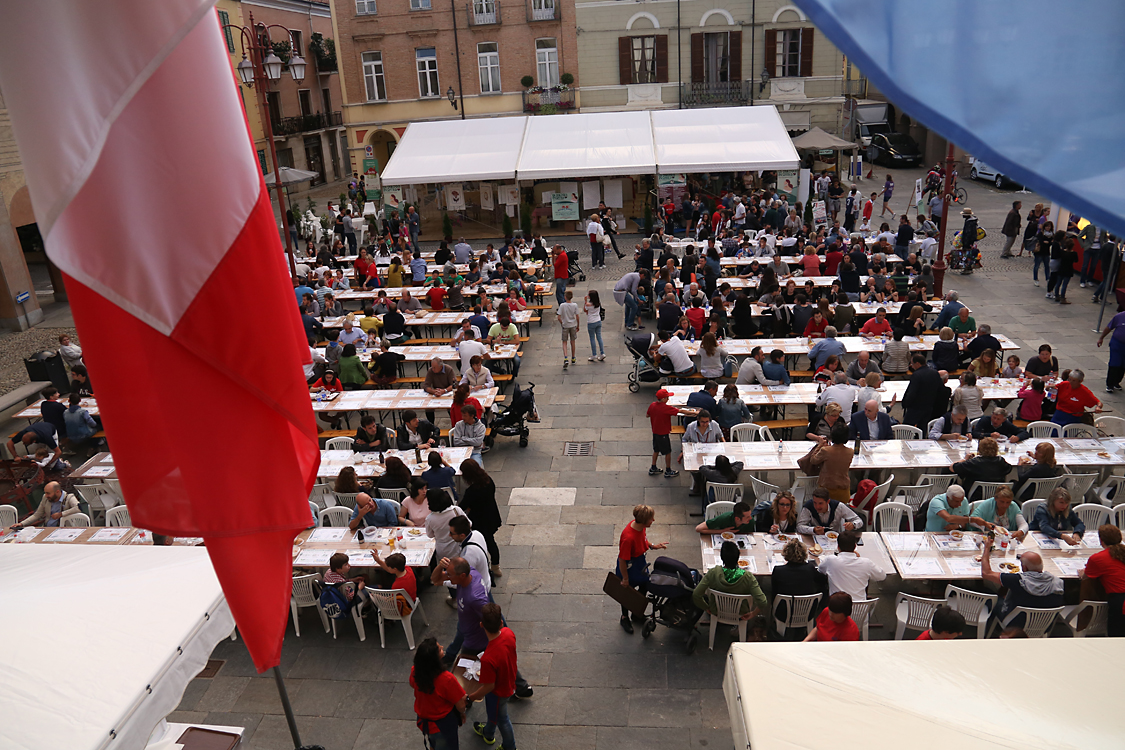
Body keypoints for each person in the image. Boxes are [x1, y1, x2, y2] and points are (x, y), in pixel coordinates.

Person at [465, 604, 519, 750]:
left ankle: (510, 746)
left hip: (498, 693)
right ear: (501, 622)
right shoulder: (508, 633)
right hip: (509, 681)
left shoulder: (488, 658)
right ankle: (488, 732)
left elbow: (489, 686)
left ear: (481, 625)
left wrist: (471, 697)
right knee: (494, 713)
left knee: (503, 720)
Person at [980, 537, 1063, 627]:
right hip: (1043, 626)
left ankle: (991, 626)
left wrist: (987, 548)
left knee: (989, 596)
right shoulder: (1057, 582)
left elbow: (986, 573)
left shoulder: (1018, 580)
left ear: (1024, 568)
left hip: (1015, 623)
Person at [410, 638, 467, 750]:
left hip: (425, 721)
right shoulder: (446, 679)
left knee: (433, 742)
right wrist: (462, 713)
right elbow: (460, 705)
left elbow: (413, 685)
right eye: (439, 649)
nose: (442, 647)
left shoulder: (415, 671)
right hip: (443, 724)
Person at [617, 504, 666, 633]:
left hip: (640, 563)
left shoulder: (639, 525)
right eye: (651, 519)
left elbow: (643, 539)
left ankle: (636, 612)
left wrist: (653, 546)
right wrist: (625, 579)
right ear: (644, 521)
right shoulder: (628, 538)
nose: (653, 520)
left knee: (644, 585)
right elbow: (622, 559)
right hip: (630, 568)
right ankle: (624, 616)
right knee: (627, 593)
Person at [692, 540, 768, 620]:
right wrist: (753, 614)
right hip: (740, 614)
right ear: (738, 557)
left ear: (722, 558)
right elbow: (763, 602)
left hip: (717, 611)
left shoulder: (713, 573)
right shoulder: (748, 577)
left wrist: (707, 608)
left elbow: (696, 594)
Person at [458, 459, 503, 579]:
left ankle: (486, 568)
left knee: (483, 543)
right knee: (491, 541)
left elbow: (462, 507)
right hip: (492, 516)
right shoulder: (488, 480)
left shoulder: (471, 491)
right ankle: (496, 566)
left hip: (479, 521)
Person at [816, 530, 885, 604]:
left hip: (837, 610)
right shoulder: (866, 563)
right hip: (860, 611)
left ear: (838, 546)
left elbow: (820, 570)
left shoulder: (830, 560)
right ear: (855, 546)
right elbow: (882, 576)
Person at [1084, 524, 1125, 636]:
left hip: (1120, 601)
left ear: (1101, 540)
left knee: (1117, 637)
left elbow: (1087, 576)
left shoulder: (1098, 558)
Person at [682, 409, 724, 496]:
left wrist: (724, 445)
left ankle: (709, 483)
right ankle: (698, 482)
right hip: (696, 453)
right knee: (694, 469)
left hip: (711, 452)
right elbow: (684, 439)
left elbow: (720, 436)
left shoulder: (715, 425)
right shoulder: (691, 427)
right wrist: (685, 450)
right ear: (698, 420)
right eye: (702, 422)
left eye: (707, 422)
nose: (705, 424)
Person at [6, 481, 78, 530]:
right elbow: (37, 515)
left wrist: (61, 514)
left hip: (63, 529)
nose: (46, 495)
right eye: (45, 493)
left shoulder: (69, 497)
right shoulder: (45, 498)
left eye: (48, 493)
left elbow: (78, 507)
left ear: (57, 492)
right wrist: (21, 524)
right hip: (47, 528)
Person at [797, 484, 864, 535]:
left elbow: (859, 521)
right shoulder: (808, 507)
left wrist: (853, 525)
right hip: (815, 537)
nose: (817, 506)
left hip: (835, 537)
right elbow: (799, 526)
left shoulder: (839, 506)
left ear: (828, 502)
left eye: (820, 503)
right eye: (815, 503)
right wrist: (813, 530)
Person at [901, 354, 944, 429]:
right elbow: (940, 389)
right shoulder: (935, 373)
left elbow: (912, 392)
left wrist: (905, 403)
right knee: (923, 427)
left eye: (912, 363)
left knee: (907, 428)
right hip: (929, 406)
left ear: (917, 363)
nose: (911, 366)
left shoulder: (917, 375)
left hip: (916, 406)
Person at [557, 290, 580, 369]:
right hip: (573, 325)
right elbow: (577, 316)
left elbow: (559, 317)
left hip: (565, 325)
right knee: (572, 341)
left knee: (564, 342)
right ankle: (573, 357)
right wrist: (578, 325)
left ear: (565, 297)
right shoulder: (575, 305)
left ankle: (566, 357)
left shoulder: (562, 305)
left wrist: (562, 323)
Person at [584, 290, 605, 362]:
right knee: (599, 337)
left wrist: (585, 301)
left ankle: (594, 354)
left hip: (591, 322)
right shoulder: (598, 303)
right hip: (598, 321)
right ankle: (602, 353)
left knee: (592, 338)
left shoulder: (588, 305)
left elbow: (585, 310)